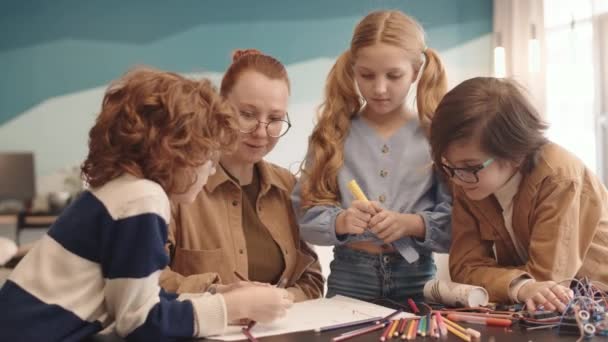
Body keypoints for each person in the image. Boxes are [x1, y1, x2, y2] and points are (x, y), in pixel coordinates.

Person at [0, 67, 293, 341]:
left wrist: (217, 296)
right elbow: (140, 322)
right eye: (208, 158)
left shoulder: (122, 191)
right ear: (175, 153)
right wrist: (229, 308)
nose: (212, 170)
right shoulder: (143, 199)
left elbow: (142, 296)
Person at [293, 10, 452, 303]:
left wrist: (412, 224)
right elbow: (304, 216)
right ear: (353, 70)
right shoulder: (332, 135)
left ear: (416, 72)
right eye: (366, 75)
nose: (379, 88)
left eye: (394, 76)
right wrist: (341, 221)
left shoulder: (437, 138)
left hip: (417, 278)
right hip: (350, 277)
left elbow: (459, 225)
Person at [429, 76, 608, 312]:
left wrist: (513, 284)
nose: (455, 178)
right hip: (545, 309)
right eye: (447, 165)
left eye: (469, 167)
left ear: (515, 153)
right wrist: (520, 287)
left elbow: (547, 284)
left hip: (594, 304)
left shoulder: (560, 178)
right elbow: (464, 269)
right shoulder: (468, 179)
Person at [160, 49, 324, 302]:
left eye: (275, 118)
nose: (261, 131)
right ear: (219, 107)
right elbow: (148, 280)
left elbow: (311, 281)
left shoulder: (288, 187)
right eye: (247, 114)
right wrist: (223, 297)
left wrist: (278, 303)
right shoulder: (178, 185)